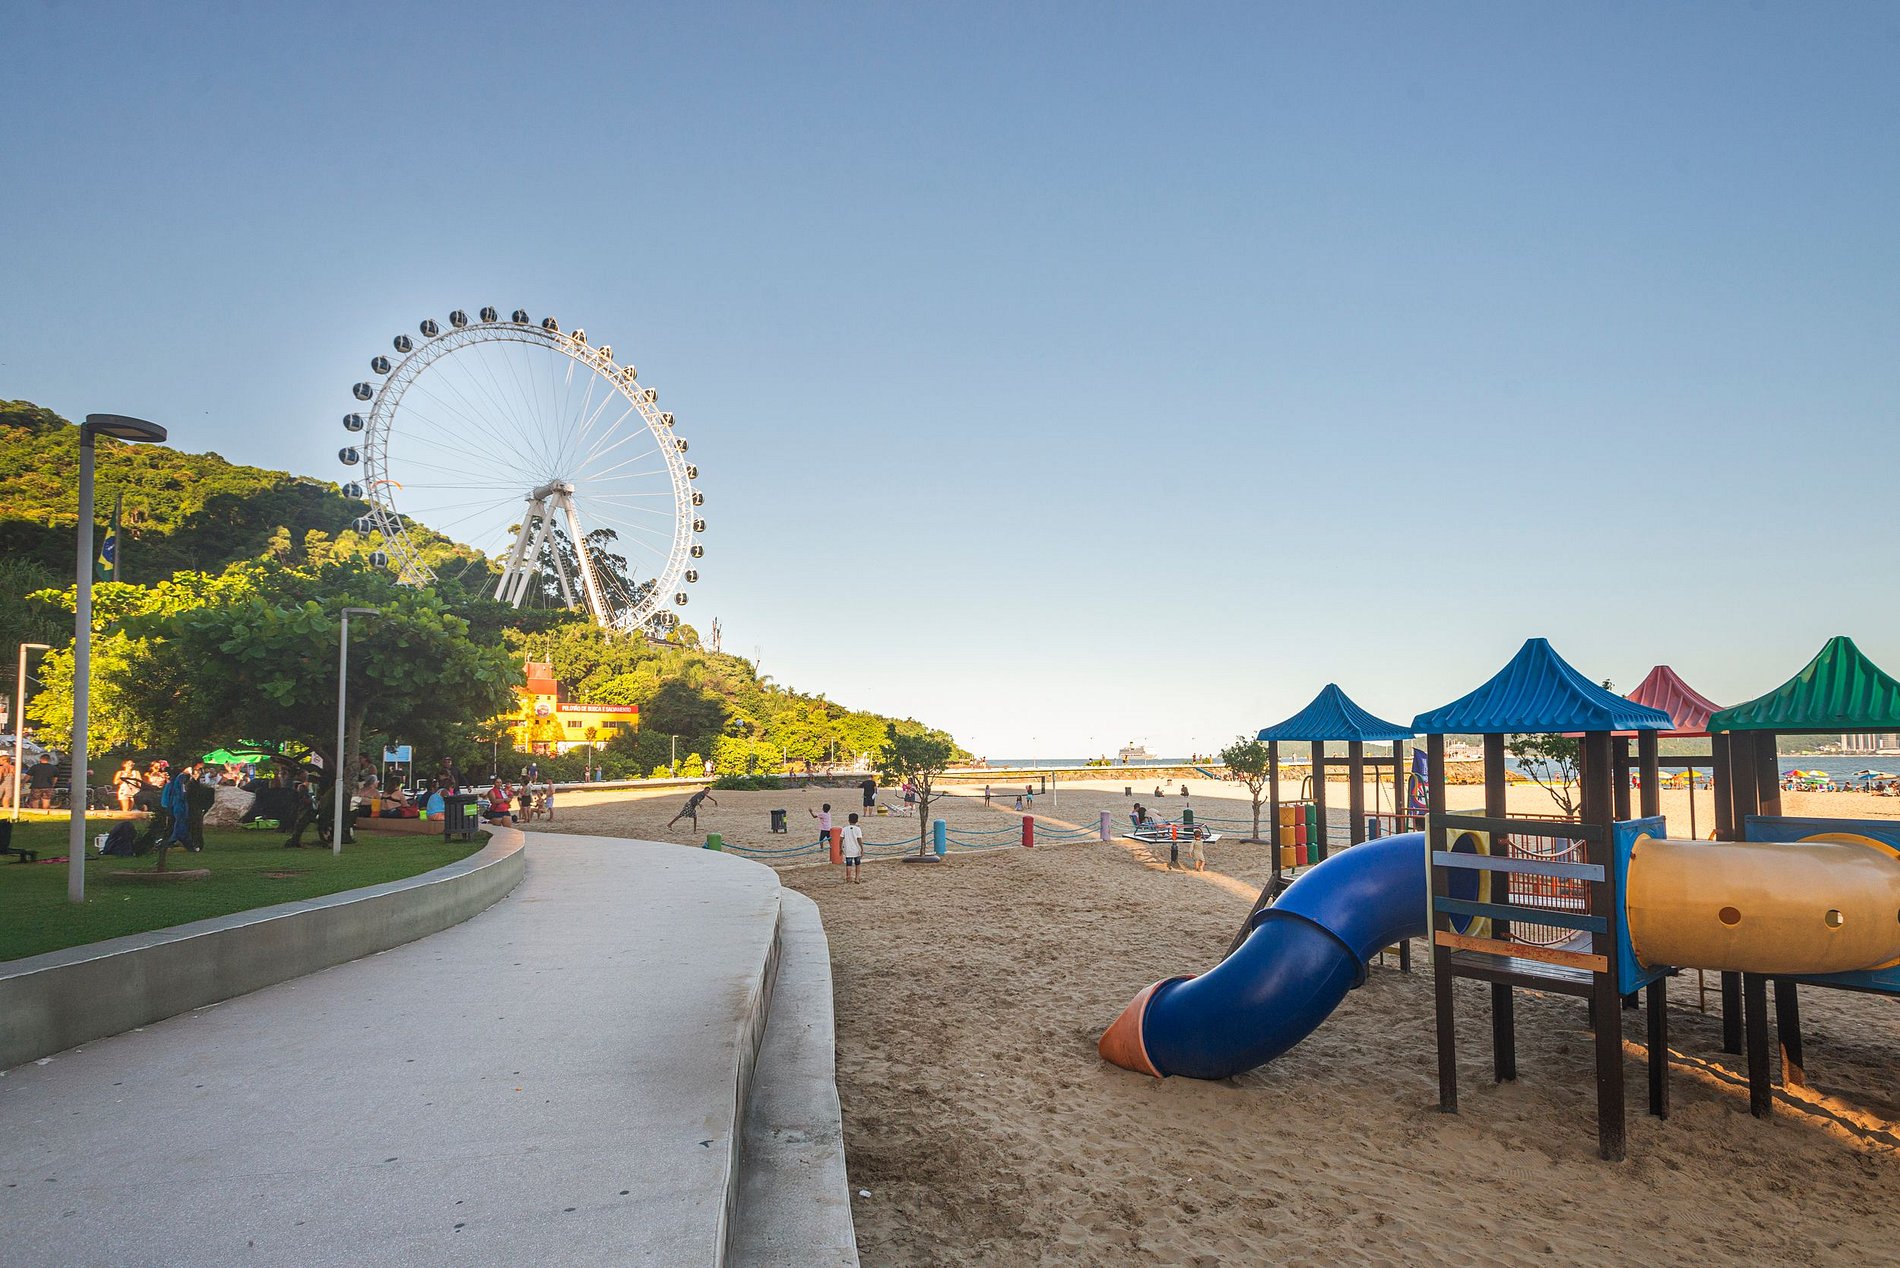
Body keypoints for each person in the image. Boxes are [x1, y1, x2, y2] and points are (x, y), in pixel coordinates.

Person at [840, 812, 865, 883]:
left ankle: (848, 877)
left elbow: (841, 839)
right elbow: (859, 839)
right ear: (857, 820)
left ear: (848, 820)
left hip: (848, 849)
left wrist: (840, 847)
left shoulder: (844, 829)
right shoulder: (858, 829)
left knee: (849, 864)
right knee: (857, 864)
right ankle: (857, 878)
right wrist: (862, 848)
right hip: (857, 849)